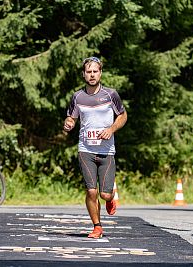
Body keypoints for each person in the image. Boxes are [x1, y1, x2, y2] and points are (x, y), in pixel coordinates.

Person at [63, 56, 127, 238]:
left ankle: (110, 196)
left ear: (100, 73)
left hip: (107, 151)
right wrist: (68, 123)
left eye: (95, 71)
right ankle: (97, 227)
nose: (92, 75)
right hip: (86, 150)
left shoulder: (110, 94)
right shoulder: (77, 96)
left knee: (104, 195)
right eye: (88, 72)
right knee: (91, 190)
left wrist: (111, 129)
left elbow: (123, 116)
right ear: (84, 75)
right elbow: (71, 118)